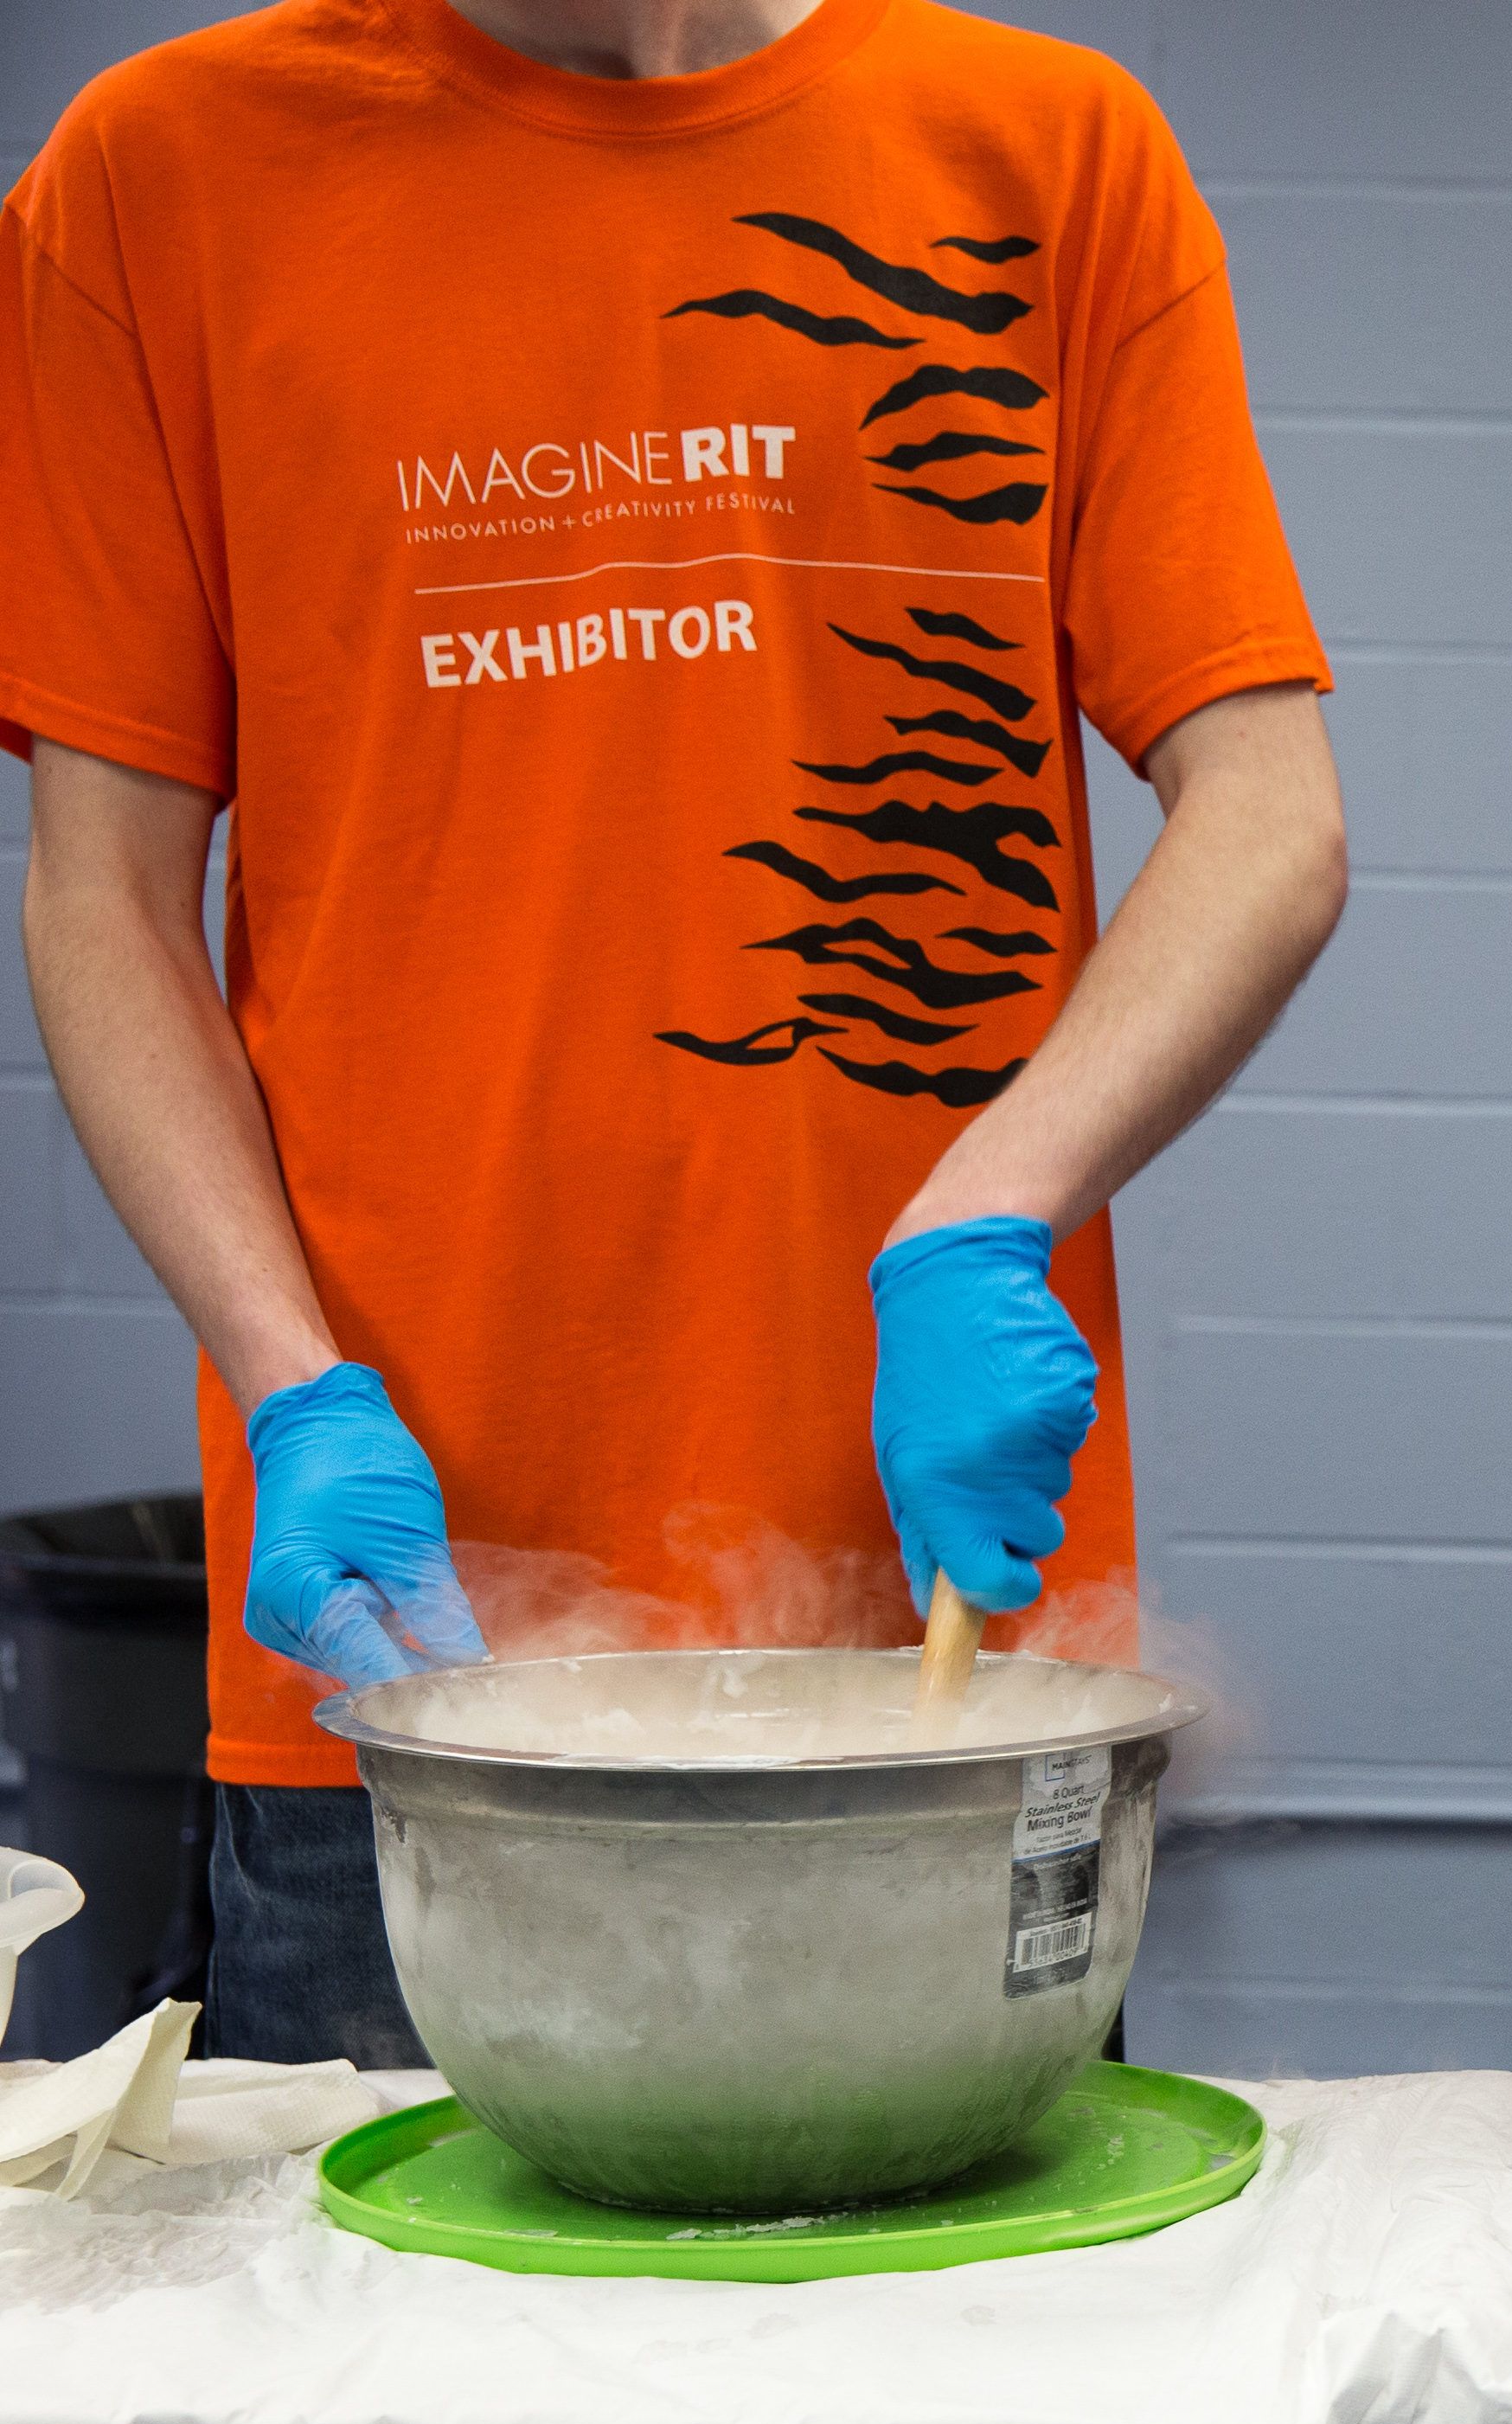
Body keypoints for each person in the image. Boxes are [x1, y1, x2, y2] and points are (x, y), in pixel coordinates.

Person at [4, 0, 1345, 2062]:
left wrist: (994, 1207)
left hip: (935, 1691)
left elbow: (1269, 813)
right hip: (408, 1684)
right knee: (370, 2382)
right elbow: (101, 896)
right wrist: (289, 1388)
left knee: (981, 2377)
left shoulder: (1044, 151)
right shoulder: (157, 175)